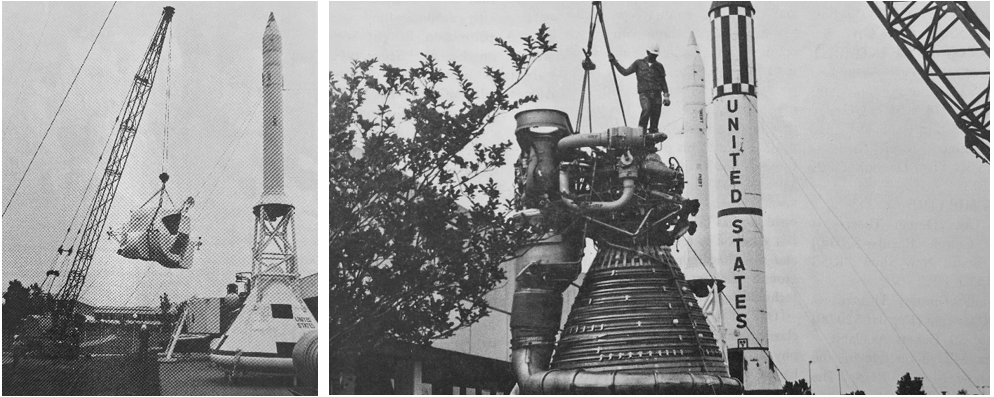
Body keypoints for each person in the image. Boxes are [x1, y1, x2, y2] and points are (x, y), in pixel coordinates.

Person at [609, 44, 670, 134]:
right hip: (645, 94)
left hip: (657, 94)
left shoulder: (659, 66)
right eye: (652, 55)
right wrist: (615, 63)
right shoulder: (638, 63)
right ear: (647, 52)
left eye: (656, 55)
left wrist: (666, 96)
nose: (654, 57)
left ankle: (652, 135)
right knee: (646, 109)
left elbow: (663, 82)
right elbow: (625, 72)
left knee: (655, 116)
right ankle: (641, 132)